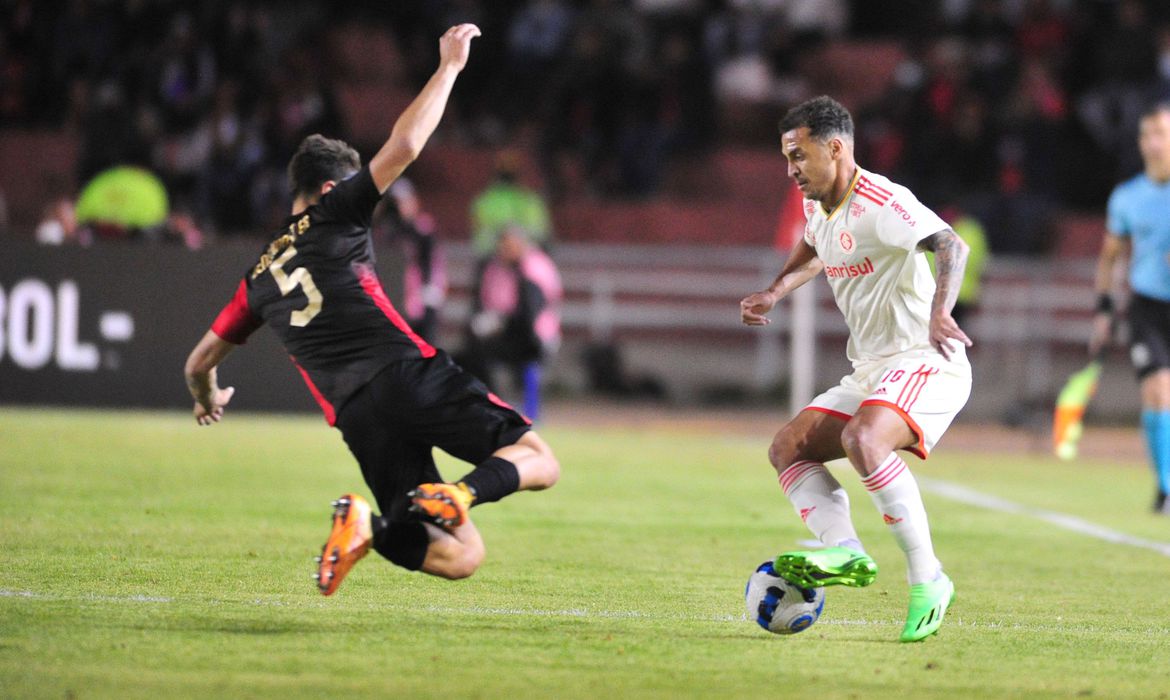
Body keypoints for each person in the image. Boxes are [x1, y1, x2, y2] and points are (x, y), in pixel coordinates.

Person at [183, 25, 560, 595]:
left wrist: (208, 398)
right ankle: (464, 492)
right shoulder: (337, 210)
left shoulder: (258, 277)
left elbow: (200, 361)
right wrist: (450, 68)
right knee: (539, 459)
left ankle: (368, 527)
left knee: (463, 555)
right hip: (406, 373)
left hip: (358, 420)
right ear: (333, 185)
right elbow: (405, 147)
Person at [739, 96, 973, 643]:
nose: (791, 168)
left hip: (925, 358)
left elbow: (950, 243)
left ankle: (929, 578)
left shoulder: (883, 201)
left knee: (863, 438)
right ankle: (844, 551)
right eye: (786, 157)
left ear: (835, 147)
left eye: (798, 155)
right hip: (871, 367)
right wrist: (775, 290)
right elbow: (815, 247)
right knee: (787, 447)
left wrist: (941, 312)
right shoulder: (819, 206)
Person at [1089, 102, 1170, 516]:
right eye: (1144, 134)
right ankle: (1165, 487)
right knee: (1158, 392)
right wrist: (1104, 310)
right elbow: (1109, 257)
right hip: (1148, 307)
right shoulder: (1128, 197)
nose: (1151, 143)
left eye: (1158, 132)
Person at [458, 225, 562, 421]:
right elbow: (486, 302)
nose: (504, 250)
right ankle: (493, 406)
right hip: (507, 330)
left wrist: (502, 321)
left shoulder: (534, 268)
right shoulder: (494, 267)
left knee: (528, 353)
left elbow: (531, 312)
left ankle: (530, 411)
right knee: (475, 351)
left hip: (535, 333)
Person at [384, 177, 446, 344]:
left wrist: (429, 290)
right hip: (397, 299)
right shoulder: (388, 231)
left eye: (403, 201)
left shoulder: (423, 229)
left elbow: (430, 262)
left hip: (421, 298)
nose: (399, 207)